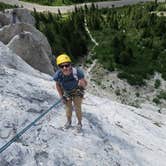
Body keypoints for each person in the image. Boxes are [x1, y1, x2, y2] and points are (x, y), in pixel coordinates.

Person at [53, 53, 87, 131]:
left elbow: (85, 84)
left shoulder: (77, 72)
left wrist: (82, 84)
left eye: (67, 65)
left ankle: (79, 123)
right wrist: (61, 96)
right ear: (59, 67)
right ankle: (69, 121)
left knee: (77, 107)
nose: (65, 68)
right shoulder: (58, 75)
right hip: (67, 92)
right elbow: (58, 85)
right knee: (68, 108)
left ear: (70, 65)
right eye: (62, 66)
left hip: (77, 91)